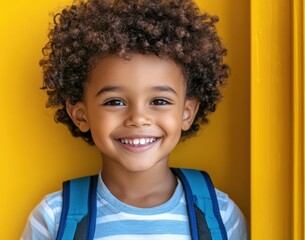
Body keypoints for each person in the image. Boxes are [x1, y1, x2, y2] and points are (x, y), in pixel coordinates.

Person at [21, 0, 248, 239]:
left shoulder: (222, 216)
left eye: (159, 101)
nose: (138, 118)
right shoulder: (54, 218)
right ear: (81, 114)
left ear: (187, 113)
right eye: (115, 102)